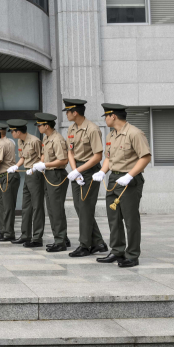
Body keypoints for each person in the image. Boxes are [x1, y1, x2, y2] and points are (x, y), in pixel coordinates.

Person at [94, 104, 151, 268]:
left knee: (130, 219)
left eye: (106, 116)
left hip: (129, 181)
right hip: (114, 180)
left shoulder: (134, 133)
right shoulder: (111, 135)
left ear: (113, 116)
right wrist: (103, 172)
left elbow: (145, 157)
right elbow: (108, 158)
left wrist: (129, 175)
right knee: (114, 218)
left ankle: (132, 255)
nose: (105, 119)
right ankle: (117, 250)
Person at [63, 99, 108, 258]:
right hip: (78, 171)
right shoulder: (71, 128)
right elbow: (70, 152)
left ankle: (85, 245)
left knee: (85, 208)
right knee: (79, 207)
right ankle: (99, 242)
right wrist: (75, 171)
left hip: (89, 171)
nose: (66, 114)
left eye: (67, 111)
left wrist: (80, 171)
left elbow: (97, 156)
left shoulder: (92, 129)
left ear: (74, 112)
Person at [31, 113, 71, 252]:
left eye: (40, 125)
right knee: (52, 208)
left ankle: (60, 241)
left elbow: (63, 160)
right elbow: (44, 154)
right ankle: (62, 238)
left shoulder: (57, 139)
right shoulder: (47, 137)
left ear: (46, 126)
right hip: (49, 174)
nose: (38, 127)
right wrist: (39, 164)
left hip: (56, 174)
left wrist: (45, 165)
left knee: (56, 209)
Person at [7, 119, 45, 248]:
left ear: (18, 132)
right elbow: (23, 157)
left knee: (37, 207)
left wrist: (36, 168)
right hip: (28, 174)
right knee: (26, 206)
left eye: (12, 131)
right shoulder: (20, 141)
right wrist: (15, 166)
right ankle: (25, 235)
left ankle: (37, 237)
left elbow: (42, 157)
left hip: (36, 174)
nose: (11, 133)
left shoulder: (35, 141)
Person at [0, 122, 16, 237]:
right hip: (1, 175)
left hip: (6, 175)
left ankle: (8, 231)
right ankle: (3, 227)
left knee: (7, 205)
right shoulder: (2, 143)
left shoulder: (2, 144)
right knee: (1, 204)